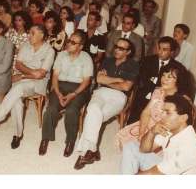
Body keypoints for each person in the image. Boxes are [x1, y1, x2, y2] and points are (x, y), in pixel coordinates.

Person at [0, 24, 55, 148]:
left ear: (41, 35)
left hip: (37, 84)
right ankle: (18, 134)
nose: (29, 36)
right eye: (29, 33)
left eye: (32, 33)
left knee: (16, 89)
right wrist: (32, 72)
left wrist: (23, 76)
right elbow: (18, 65)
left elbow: (40, 75)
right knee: (16, 101)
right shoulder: (25, 46)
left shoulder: (49, 51)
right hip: (22, 81)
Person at [74, 37, 139, 169]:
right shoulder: (107, 61)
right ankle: (91, 151)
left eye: (121, 48)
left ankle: (87, 152)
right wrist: (118, 80)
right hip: (101, 92)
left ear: (128, 52)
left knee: (92, 116)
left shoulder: (133, 65)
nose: (117, 50)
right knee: (93, 110)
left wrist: (107, 80)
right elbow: (99, 79)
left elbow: (126, 87)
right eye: (116, 47)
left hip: (119, 97)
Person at [120, 94, 196, 175]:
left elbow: (153, 173)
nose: (161, 116)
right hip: (167, 168)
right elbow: (143, 149)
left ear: (183, 118)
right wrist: (152, 132)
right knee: (131, 146)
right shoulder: (170, 130)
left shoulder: (189, 147)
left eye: (168, 113)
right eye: (163, 112)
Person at [39, 31, 94, 157]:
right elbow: (55, 76)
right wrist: (58, 93)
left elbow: (86, 81)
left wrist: (73, 94)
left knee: (71, 111)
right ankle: (45, 138)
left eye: (73, 42)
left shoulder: (86, 58)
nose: (68, 43)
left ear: (80, 46)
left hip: (78, 89)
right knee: (51, 109)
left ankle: (70, 141)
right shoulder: (61, 55)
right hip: (60, 86)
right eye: (69, 40)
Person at [116, 64, 187, 149]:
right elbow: (146, 112)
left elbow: (176, 127)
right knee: (123, 140)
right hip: (149, 124)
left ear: (179, 80)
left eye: (170, 77)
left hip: (162, 132)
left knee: (139, 149)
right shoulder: (158, 91)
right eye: (163, 75)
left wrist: (152, 135)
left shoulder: (181, 100)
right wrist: (141, 133)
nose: (164, 79)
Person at [132, 36, 183, 120]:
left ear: (172, 52)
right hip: (143, 97)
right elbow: (140, 80)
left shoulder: (177, 67)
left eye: (164, 49)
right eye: (159, 48)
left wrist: (154, 81)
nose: (160, 52)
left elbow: (176, 87)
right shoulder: (146, 61)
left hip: (162, 100)